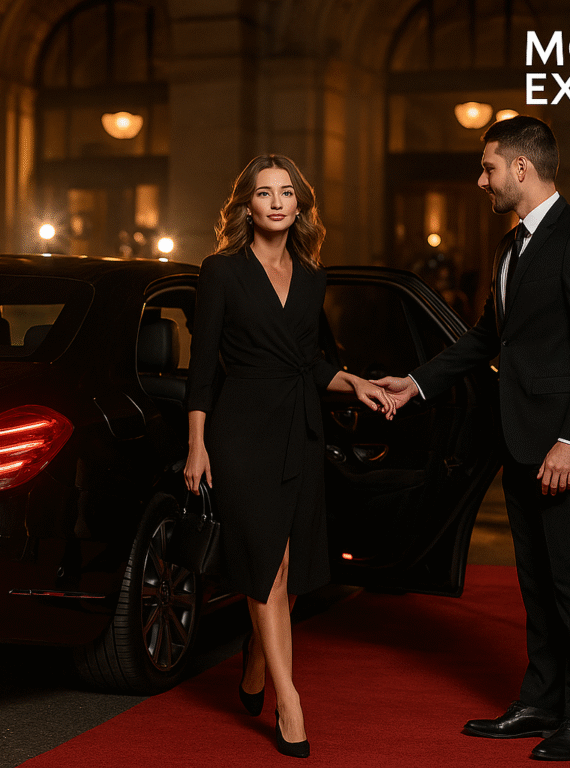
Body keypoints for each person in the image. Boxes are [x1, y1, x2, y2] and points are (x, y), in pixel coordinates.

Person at [372, 116, 570, 762]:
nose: (478, 179)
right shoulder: (509, 248)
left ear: (520, 168)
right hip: (516, 438)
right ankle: (540, 701)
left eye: (486, 168)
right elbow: (487, 336)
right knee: (534, 580)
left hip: (561, 444)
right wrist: (417, 384)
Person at [184, 154, 395, 759]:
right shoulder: (221, 272)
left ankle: (255, 658)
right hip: (241, 432)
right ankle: (290, 699)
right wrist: (196, 446)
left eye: (286, 194)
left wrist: (353, 382)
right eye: (262, 193)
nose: (275, 202)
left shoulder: (311, 277)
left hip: (299, 428)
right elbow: (202, 371)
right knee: (267, 566)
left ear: (299, 206)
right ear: (246, 206)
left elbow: (309, 362)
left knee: (294, 573)